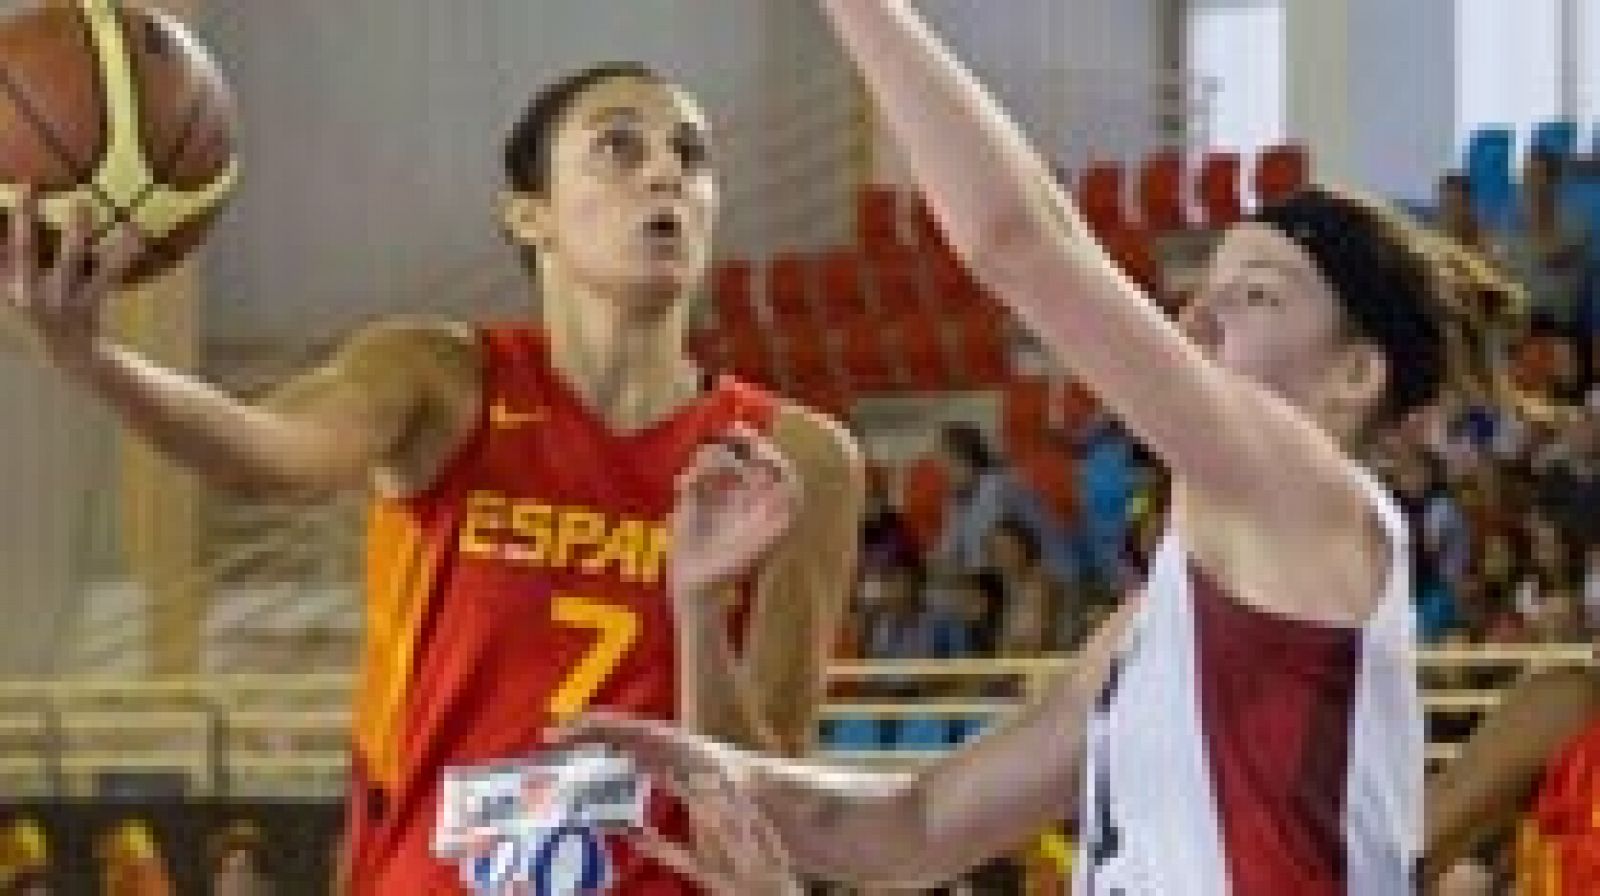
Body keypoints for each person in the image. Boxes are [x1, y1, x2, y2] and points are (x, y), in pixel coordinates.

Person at [556, 2, 1523, 894]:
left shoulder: (1319, 502)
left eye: (1257, 293)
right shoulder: (1153, 630)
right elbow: (913, 827)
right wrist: (695, 739)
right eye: (1206, 286)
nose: (1198, 316)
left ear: (1354, 375)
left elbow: (1016, 239)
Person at [1, 63, 863, 893]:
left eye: (692, 154)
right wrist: (98, 364)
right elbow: (266, 451)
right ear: (530, 216)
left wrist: (701, 612)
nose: (667, 172)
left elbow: (770, 806)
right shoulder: (441, 379)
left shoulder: (794, 459)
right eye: (620, 148)